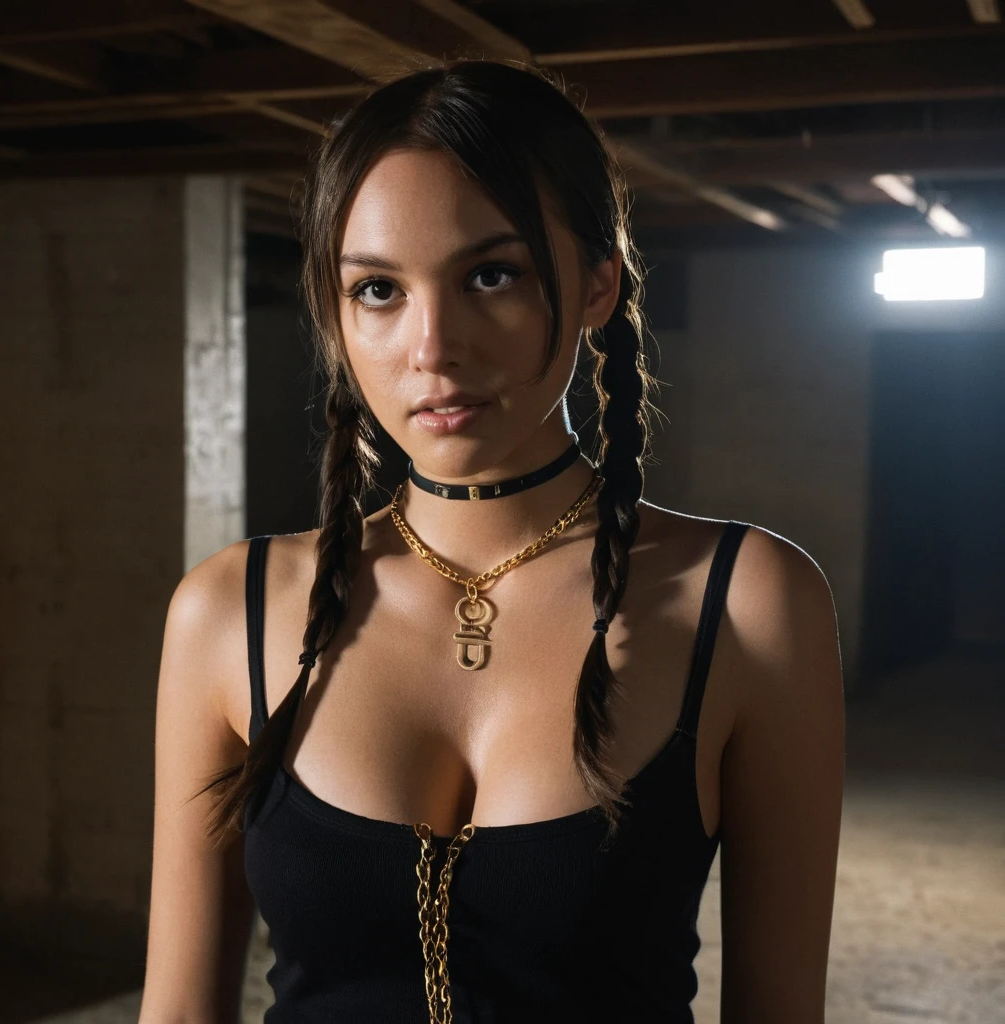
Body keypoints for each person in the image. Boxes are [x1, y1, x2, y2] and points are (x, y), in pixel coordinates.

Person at [140, 58, 845, 1024]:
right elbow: (177, 1014)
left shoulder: (749, 601)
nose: (433, 346)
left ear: (599, 284)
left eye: (490, 274)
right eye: (379, 291)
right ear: (337, 317)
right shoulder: (229, 611)